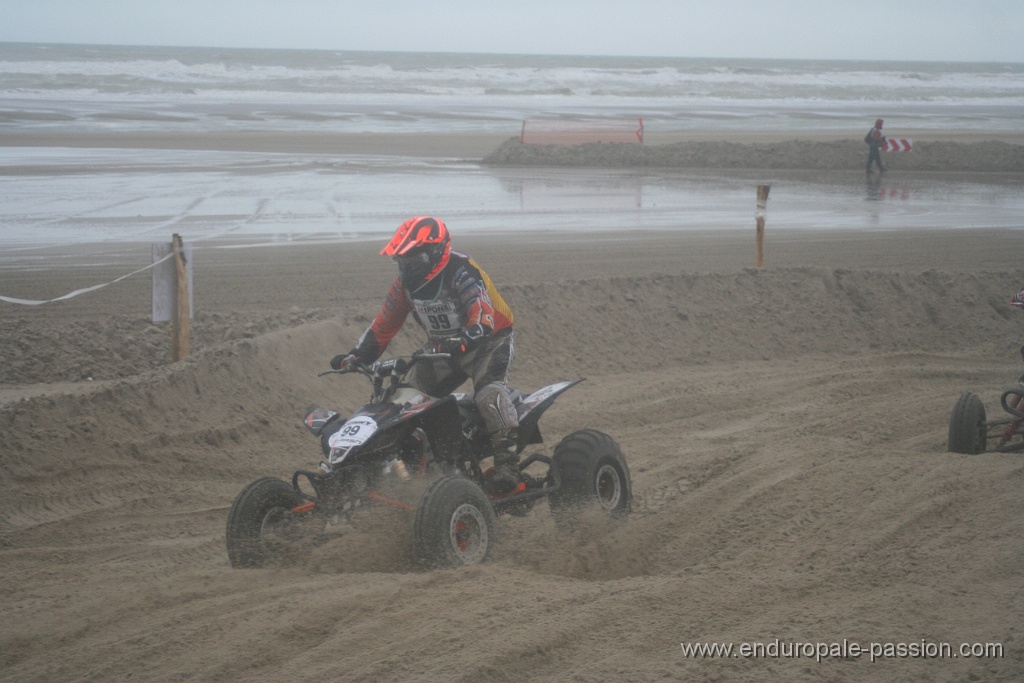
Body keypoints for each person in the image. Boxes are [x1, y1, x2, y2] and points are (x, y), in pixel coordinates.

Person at [330, 216, 521, 493]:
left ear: (435, 253)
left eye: (412, 260)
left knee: (489, 395)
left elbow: (481, 311)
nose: (406, 268)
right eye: (402, 261)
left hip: (489, 342)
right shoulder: (404, 286)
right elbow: (384, 324)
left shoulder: (460, 270)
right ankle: (421, 467)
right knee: (405, 402)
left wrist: (473, 332)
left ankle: (507, 465)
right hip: (442, 348)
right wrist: (357, 356)